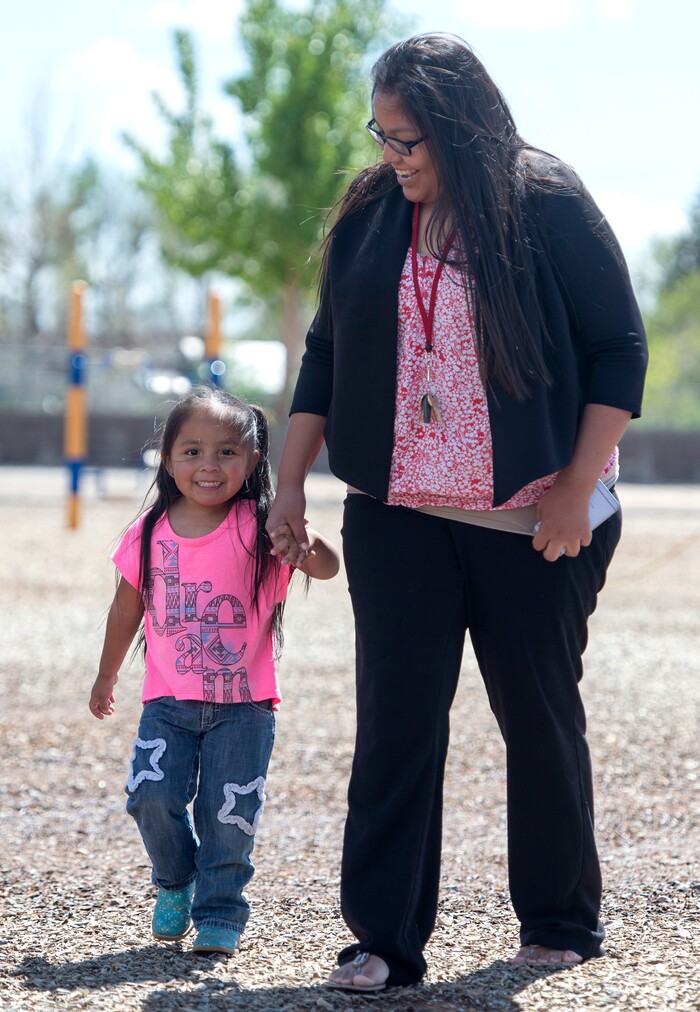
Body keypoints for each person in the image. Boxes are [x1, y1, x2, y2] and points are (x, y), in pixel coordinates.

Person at [266, 33, 648, 991]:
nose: (392, 159)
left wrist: (572, 489)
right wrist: (288, 482)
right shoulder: (368, 214)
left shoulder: (546, 202)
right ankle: (385, 941)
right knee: (397, 724)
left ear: (462, 129)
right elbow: (325, 352)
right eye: (384, 138)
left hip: (533, 520)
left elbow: (619, 351)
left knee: (538, 716)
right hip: (396, 518)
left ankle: (560, 920)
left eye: (409, 142)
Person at [89, 386, 339, 956]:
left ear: (252, 461)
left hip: (245, 710)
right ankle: (176, 882)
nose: (208, 465)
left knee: (229, 814)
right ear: (168, 458)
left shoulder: (260, 525)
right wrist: (107, 675)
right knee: (149, 796)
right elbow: (126, 606)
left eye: (227, 452)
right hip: (167, 703)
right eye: (192, 451)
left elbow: (327, 567)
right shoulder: (148, 532)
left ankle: (221, 912)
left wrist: (303, 544)